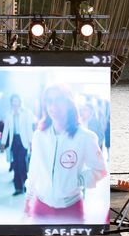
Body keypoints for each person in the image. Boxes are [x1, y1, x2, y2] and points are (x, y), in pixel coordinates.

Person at [24, 83, 107, 222]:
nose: (53, 106)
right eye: (49, 101)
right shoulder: (39, 136)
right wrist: (28, 197)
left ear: (69, 103)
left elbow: (100, 170)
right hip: (41, 206)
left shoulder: (85, 137)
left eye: (59, 100)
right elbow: (34, 169)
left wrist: (77, 180)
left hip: (71, 208)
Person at [1, 93, 36, 195]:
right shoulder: (9, 114)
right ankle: (18, 188)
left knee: (22, 164)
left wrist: (31, 142)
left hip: (23, 141)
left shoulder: (26, 113)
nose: (15, 103)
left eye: (16, 100)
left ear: (20, 102)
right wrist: (3, 143)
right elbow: (6, 129)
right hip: (14, 141)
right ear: (11, 102)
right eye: (13, 101)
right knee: (15, 164)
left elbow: (29, 129)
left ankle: (26, 186)